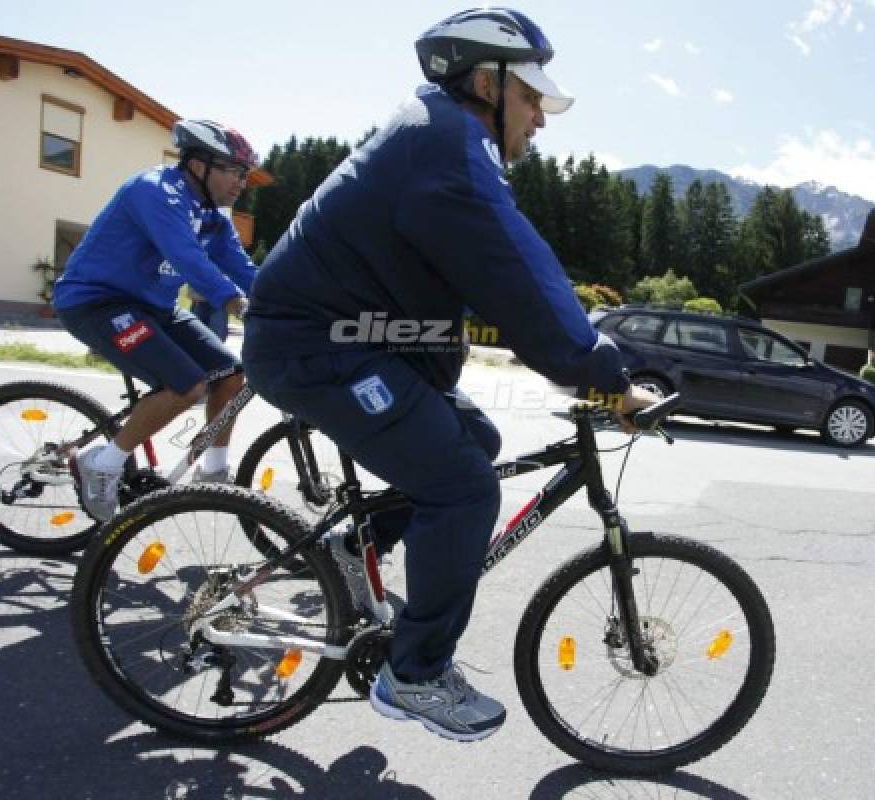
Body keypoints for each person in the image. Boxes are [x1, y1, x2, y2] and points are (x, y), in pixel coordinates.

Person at [242, 8, 657, 742]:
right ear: (486, 82)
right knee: (465, 489)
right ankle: (417, 675)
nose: (541, 117)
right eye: (532, 97)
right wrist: (604, 381)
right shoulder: (450, 150)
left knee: (477, 436)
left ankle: (353, 550)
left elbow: (492, 278)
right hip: (322, 348)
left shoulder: (442, 133)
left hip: (351, 342)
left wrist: (582, 368)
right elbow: (521, 283)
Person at [52, 119, 259, 520]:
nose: (241, 183)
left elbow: (241, 266)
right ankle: (102, 464)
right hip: (97, 303)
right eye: (234, 171)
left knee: (230, 374)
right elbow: (187, 257)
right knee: (186, 386)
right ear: (199, 164)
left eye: (245, 174)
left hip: (156, 308)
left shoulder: (213, 215)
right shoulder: (154, 191)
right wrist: (236, 304)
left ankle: (212, 472)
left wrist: (287, 303)